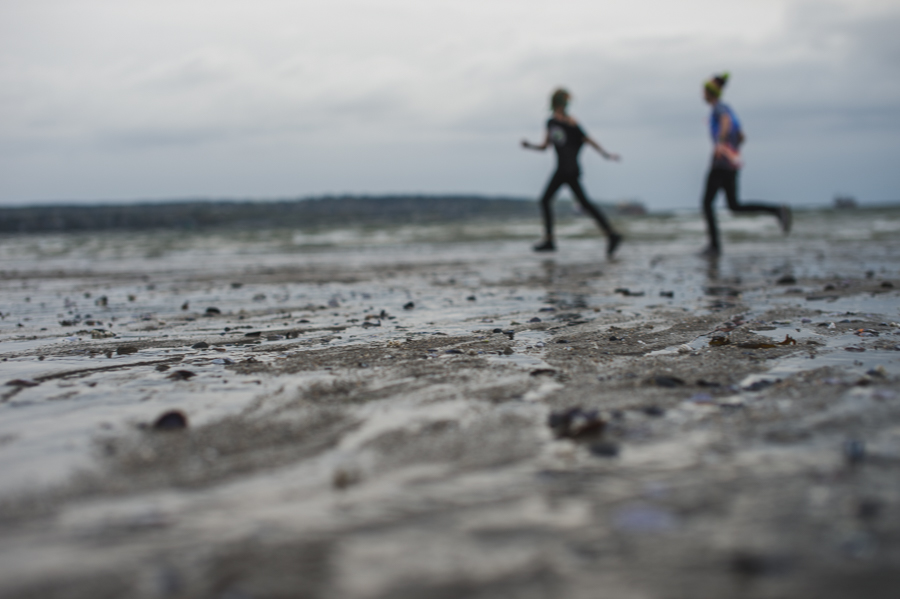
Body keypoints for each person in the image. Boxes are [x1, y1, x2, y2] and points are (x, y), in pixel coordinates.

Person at [521, 88, 623, 258]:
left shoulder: (570, 123)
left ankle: (550, 240)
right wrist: (530, 145)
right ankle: (611, 234)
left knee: (547, 200)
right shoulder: (553, 122)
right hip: (567, 170)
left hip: (566, 170)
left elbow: (587, 139)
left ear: (555, 103)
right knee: (582, 203)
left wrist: (606, 154)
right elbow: (545, 146)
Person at [700, 73, 791, 257]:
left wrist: (720, 144)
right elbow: (742, 136)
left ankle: (714, 247)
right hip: (732, 163)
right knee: (734, 205)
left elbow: (725, 122)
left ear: (711, 93)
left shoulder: (720, 108)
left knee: (707, 203)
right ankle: (776, 210)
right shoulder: (729, 109)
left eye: (704, 91)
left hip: (720, 163)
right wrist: (733, 148)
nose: (702, 94)